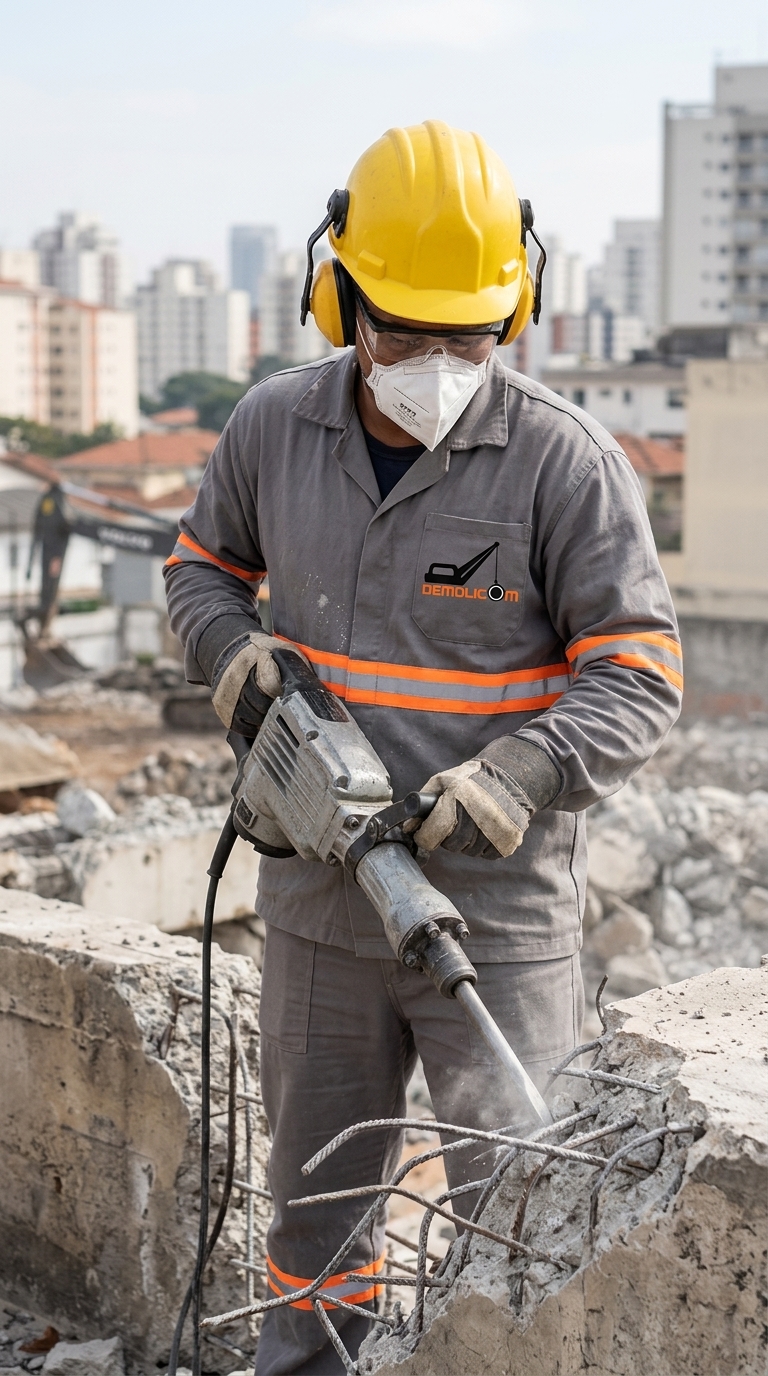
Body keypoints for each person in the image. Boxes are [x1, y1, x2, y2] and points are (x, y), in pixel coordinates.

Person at [164, 120, 682, 1375]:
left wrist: (522, 771)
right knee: (314, 1218)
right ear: (339, 295)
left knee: (517, 1217)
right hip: (317, 902)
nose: (438, 359)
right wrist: (234, 656)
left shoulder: (566, 462)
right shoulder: (274, 430)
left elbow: (643, 670)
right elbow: (198, 572)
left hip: (494, 920)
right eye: (406, 326)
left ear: (519, 306)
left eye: (471, 332)